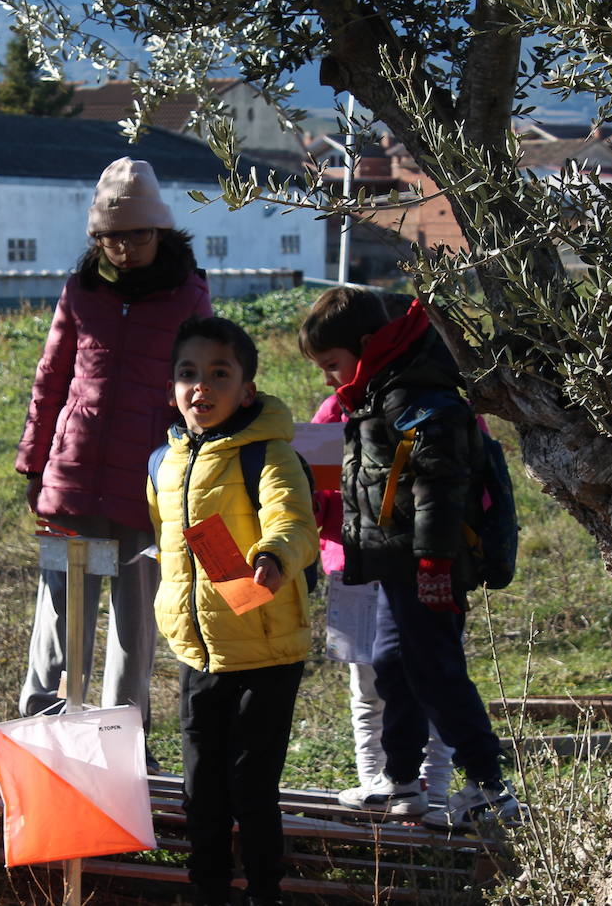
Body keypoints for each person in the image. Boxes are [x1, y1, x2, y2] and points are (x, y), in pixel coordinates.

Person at [298, 286, 522, 833]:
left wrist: (434, 565)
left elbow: (440, 490)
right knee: (393, 668)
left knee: (437, 672)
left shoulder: (420, 398)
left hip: (427, 571)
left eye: (332, 365)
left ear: (368, 345)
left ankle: (488, 787)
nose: (328, 379)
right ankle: (402, 781)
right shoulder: (371, 398)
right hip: (390, 568)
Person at [15, 156, 213, 750]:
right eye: (112, 237)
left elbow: (203, 391)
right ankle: (43, 739)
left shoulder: (189, 298)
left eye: (138, 235)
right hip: (73, 476)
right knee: (58, 620)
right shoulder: (80, 292)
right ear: (96, 238)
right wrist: (33, 462)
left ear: (160, 234)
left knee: (136, 625)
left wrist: (197, 475)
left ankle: (120, 746)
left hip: (149, 484)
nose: (125, 248)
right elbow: (51, 380)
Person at [147, 316, 318, 906]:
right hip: (199, 651)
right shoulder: (161, 464)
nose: (202, 386)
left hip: (267, 650)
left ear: (247, 389)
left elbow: (295, 520)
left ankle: (266, 891)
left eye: (219, 374)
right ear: (171, 387)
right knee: (201, 788)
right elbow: (168, 541)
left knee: (251, 787)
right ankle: (207, 890)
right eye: (188, 373)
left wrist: (274, 553)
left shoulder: (267, 454)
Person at [309, 387, 455, 813]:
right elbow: (312, 486)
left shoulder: (435, 401)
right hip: (351, 565)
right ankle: (375, 782)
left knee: (432, 680)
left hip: (424, 568)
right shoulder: (334, 410)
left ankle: (436, 789)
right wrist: (311, 505)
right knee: (367, 686)